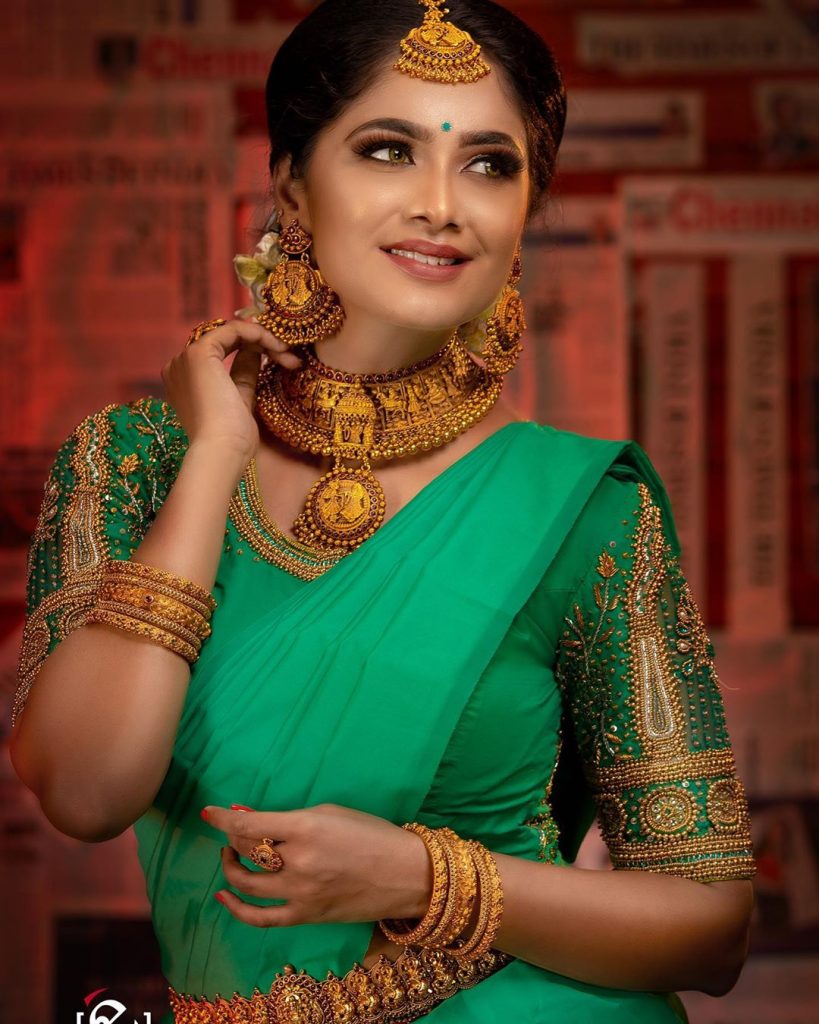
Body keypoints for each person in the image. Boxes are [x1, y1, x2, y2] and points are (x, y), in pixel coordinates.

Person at [9, 1, 756, 1022]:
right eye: (387, 149)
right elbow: (86, 792)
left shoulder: (586, 511)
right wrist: (216, 457)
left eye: (491, 164)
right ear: (293, 185)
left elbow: (710, 926)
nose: (443, 204)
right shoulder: (134, 465)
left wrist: (420, 879)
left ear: (527, 207)